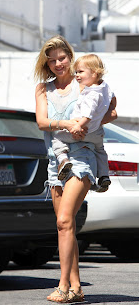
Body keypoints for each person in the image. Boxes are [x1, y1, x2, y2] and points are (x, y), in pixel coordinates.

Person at [35, 35, 117, 303]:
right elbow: (41, 122)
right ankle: (76, 287)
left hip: (82, 156)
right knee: (64, 226)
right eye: (52, 60)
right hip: (55, 160)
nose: (59, 64)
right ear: (46, 63)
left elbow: (111, 108)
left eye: (62, 58)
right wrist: (69, 124)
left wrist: (89, 125)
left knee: (64, 220)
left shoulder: (83, 82)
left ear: (70, 56)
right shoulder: (42, 89)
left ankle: (62, 287)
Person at [52, 53, 115, 192]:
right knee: (100, 151)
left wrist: (78, 126)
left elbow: (87, 115)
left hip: (84, 130)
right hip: (97, 132)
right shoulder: (105, 87)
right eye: (76, 72)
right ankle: (104, 175)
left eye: (80, 72)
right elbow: (113, 101)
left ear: (94, 73)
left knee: (57, 138)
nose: (77, 75)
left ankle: (63, 160)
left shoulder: (90, 94)